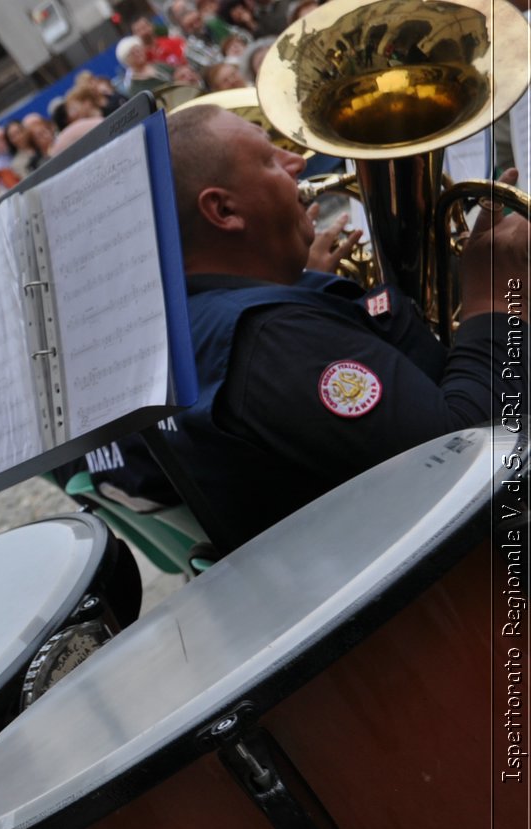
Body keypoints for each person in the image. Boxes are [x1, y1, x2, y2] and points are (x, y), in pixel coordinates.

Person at [103, 106, 527, 546]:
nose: (298, 163)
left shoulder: (191, 323)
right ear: (224, 209)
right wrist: (496, 300)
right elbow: (470, 454)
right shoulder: (273, 340)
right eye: (269, 160)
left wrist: (305, 285)